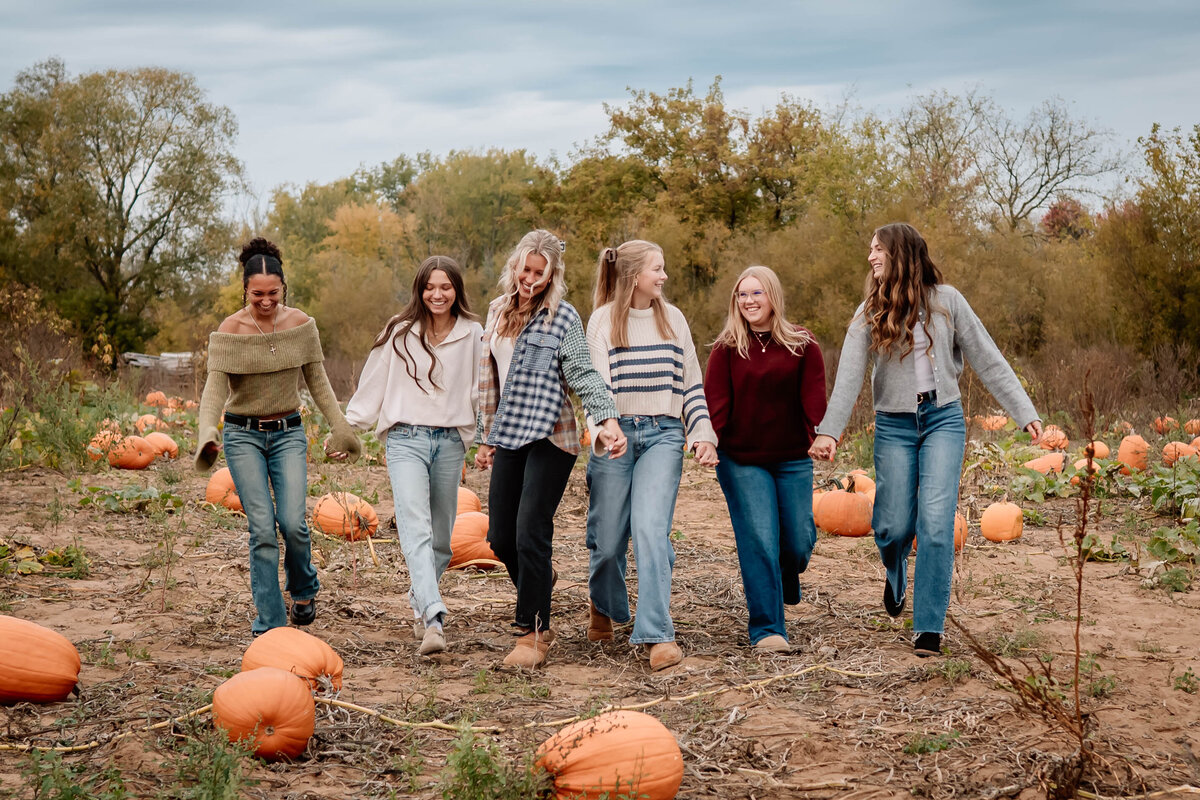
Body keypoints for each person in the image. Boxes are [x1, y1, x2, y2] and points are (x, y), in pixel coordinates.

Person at [809, 222, 1042, 657]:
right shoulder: (869, 311)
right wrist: (829, 431)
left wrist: (1023, 411)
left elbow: (988, 358)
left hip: (943, 422)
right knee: (893, 525)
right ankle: (895, 569)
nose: (870, 257)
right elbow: (849, 378)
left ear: (901, 253)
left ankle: (928, 626)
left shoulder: (948, 302)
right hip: (894, 426)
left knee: (936, 525)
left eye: (877, 249)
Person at [474, 229, 627, 668]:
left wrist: (607, 418)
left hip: (551, 437)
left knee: (530, 531)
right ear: (515, 267)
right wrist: (487, 439)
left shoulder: (563, 317)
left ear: (553, 274)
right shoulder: (498, 312)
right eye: (525, 269)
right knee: (501, 538)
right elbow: (490, 381)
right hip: (509, 435)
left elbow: (582, 372)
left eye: (540, 272)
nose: (531, 279)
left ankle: (533, 631)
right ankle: (539, 582)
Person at [196, 238, 361, 636]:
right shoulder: (230, 331)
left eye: (273, 293)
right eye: (257, 295)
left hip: (288, 433)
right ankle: (270, 622)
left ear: (283, 288)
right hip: (243, 436)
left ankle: (304, 590)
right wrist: (207, 433)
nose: (266, 301)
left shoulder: (301, 326)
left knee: (293, 523)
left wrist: (341, 428)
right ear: (245, 289)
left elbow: (319, 383)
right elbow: (214, 391)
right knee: (263, 530)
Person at [583, 241, 718, 672]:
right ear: (633, 276)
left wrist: (702, 433)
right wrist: (607, 427)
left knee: (650, 529)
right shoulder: (603, 320)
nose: (663, 277)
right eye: (657, 269)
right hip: (616, 432)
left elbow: (691, 384)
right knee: (607, 541)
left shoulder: (672, 318)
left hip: (663, 433)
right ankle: (603, 603)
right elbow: (596, 387)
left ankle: (657, 633)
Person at [342, 256, 483, 657]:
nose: (437, 295)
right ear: (419, 291)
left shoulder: (474, 334)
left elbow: (482, 390)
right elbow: (372, 385)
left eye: (446, 287)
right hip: (405, 440)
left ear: (457, 291)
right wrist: (348, 429)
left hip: (450, 443)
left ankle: (421, 596)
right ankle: (434, 617)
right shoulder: (399, 332)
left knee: (441, 540)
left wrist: (482, 438)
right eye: (429, 287)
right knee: (415, 528)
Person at [704, 266, 827, 652]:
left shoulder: (802, 344)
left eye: (757, 293)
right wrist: (707, 441)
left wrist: (821, 434)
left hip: (793, 458)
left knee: (797, 542)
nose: (749, 301)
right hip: (741, 460)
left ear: (773, 296)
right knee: (759, 538)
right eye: (742, 295)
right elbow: (715, 404)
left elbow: (814, 401)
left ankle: (786, 572)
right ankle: (767, 629)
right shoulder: (727, 348)